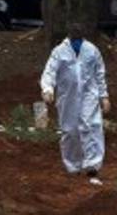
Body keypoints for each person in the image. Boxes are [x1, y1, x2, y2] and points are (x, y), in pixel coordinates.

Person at [40, 22, 109, 181]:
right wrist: (48, 89)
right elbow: (49, 71)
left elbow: (99, 73)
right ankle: (73, 165)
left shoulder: (92, 50)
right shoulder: (59, 51)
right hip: (67, 97)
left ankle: (92, 165)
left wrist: (104, 96)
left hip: (88, 95)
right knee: (70, 130)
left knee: (91, 126)